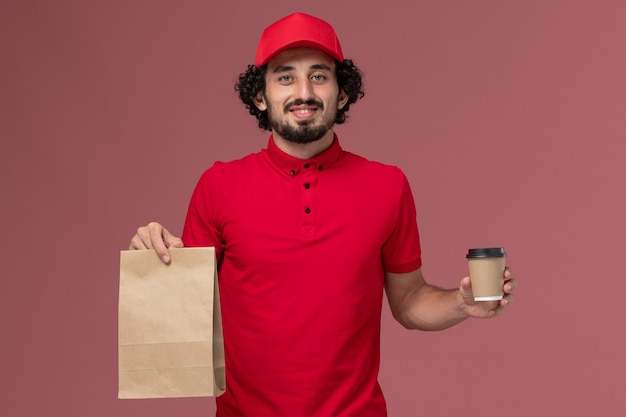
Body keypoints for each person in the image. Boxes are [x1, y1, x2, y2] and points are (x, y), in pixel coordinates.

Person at [129, 12, 517, 417]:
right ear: (260, 96)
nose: (303, 92)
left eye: (318, 76)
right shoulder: (219, 184)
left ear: (342, 93)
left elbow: (409, 301)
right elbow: (185, 315)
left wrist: (461, 303)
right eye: (284, 77)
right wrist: (155, 258)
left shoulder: (388, 185)